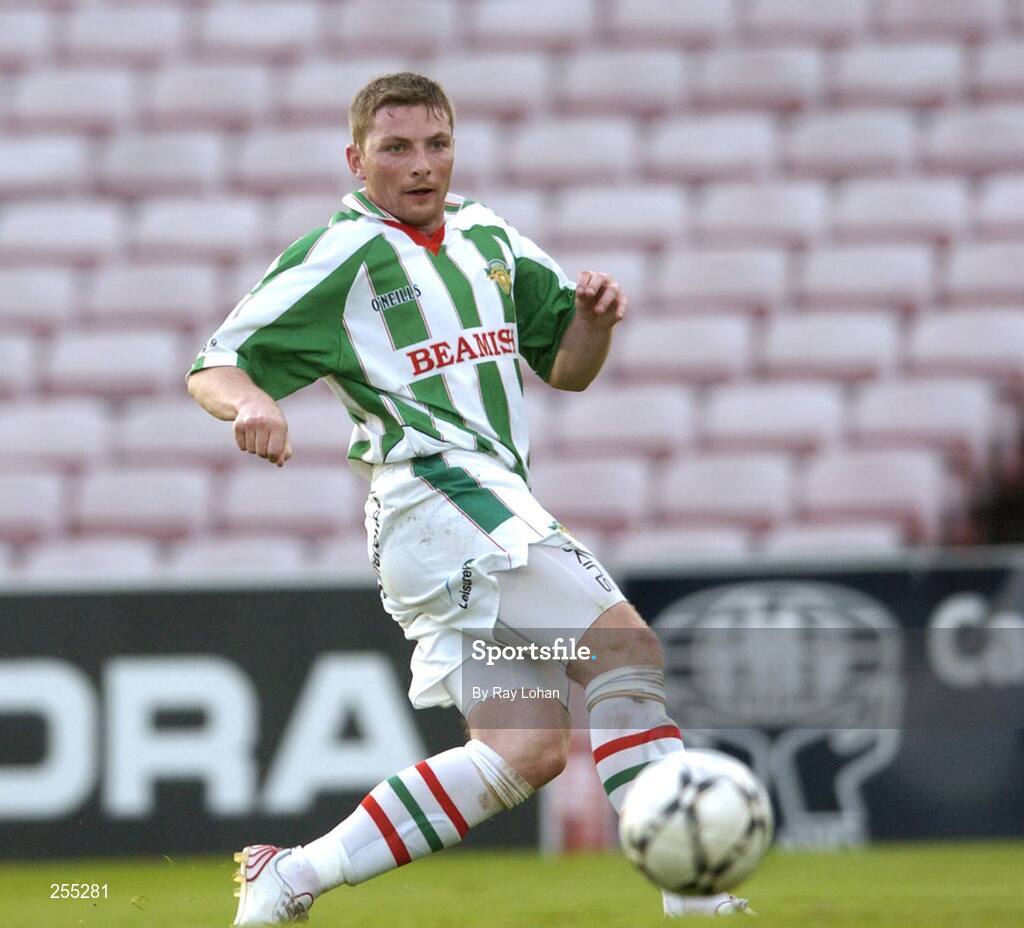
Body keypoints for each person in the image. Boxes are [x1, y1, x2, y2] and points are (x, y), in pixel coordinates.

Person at [187, 72, 753, 923]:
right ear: (356, 159)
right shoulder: (340, 254)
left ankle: (291, 875)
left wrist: (592, 322)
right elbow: (213, 364)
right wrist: (255, 401)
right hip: (439, 492)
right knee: (624, 650)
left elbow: (566, 368)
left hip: (454, 520)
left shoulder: (490, 237)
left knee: (523, 752)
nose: (422, 166)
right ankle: (692, 897)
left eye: (437, 144)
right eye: (397, 148)